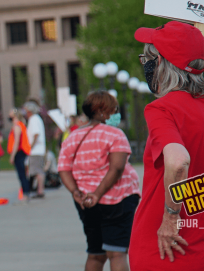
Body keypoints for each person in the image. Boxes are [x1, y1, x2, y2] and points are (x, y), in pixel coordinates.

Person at [128, 21, 204, 271]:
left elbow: (178, 161)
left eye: (146, 58)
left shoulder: (162, 109)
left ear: (160, 63)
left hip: (168, 253)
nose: (145, 65)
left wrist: (170, 217)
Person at [57, 91, 141, 271]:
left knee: (95, 254)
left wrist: (75, 192)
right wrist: (98, 194)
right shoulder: (115, 135)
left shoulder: (73, 137)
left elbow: (64, 169)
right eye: (114, 109)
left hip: (86, 203)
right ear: (103, 111)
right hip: (118, 200)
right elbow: (117, 167)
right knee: (117, 253)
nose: (116, 113)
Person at [23, 101, 46, 198]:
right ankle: (39, 189)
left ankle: (40, 190)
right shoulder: (37, 119)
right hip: (39, 150)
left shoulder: (34, 119)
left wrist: (30, 147)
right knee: (38, 170)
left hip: (36, 150)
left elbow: (36, 134)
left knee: (37, 171)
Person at [8, 108, 32, 201]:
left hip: (19, 152)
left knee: (21, 174)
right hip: (21, 152)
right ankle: (26, 192)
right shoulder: (20, 125)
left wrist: (12, 156)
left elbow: (16, 142)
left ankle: (26, 193)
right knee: (22, 173)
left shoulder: (17, 126)